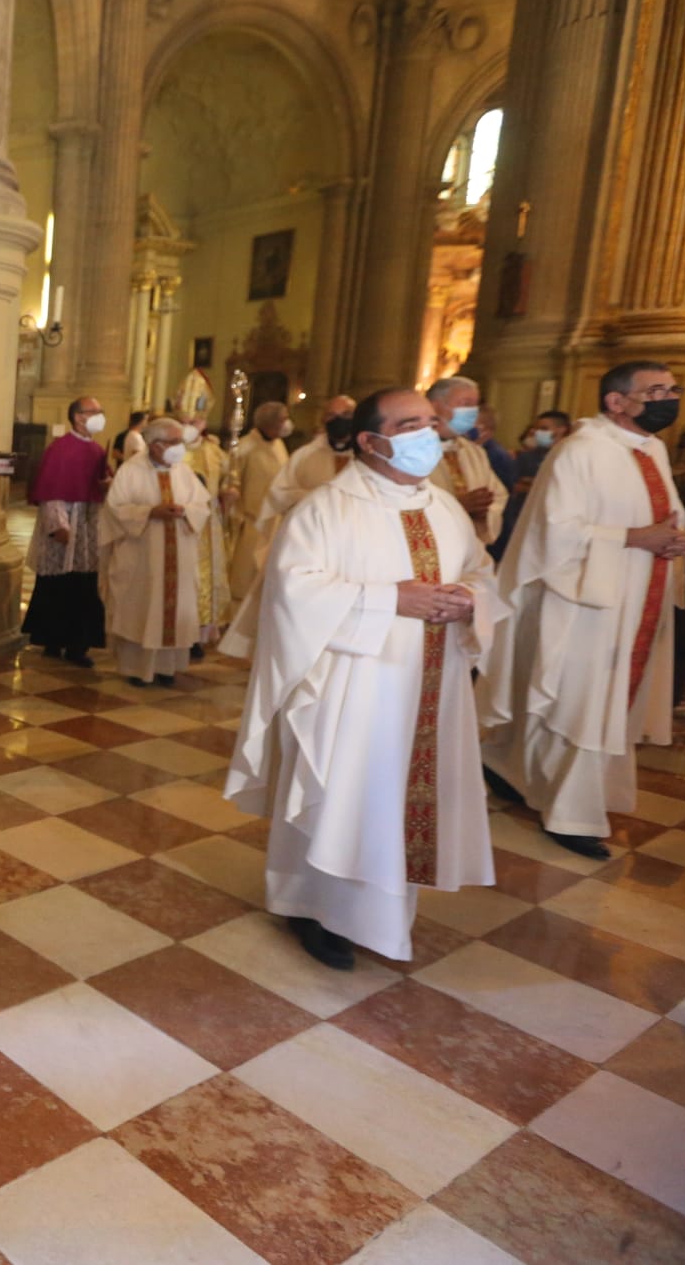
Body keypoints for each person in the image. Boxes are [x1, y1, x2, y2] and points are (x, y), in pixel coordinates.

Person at [227, 387, 503, 969]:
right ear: (372, 441)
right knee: (346, 795)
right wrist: (389, 600)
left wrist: (468, 597)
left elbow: (481, 569)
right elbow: (293, 590)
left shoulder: (445, 508)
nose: (428, 433)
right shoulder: (326, 509)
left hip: (430, 684)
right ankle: (313, 906)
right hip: (353, 688)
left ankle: (381, 915)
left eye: (430, 422)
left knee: (396, 798)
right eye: (409, 425)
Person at [479, 363, 685, 859]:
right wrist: (636, 538)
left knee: (603, 700)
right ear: (616, 401)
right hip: (582, 600)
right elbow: (555, 530)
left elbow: (659, 516)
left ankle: (505, 763)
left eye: (672, 389)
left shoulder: (652, 449)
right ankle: (568, 813)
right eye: (655, 391)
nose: (669, 399)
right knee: (578, 702)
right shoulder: (579, 450)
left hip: (636, 595)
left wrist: (673, 538)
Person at [219, 394, 358, 659]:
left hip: (351, 549)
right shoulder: (304, 456)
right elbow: (278, 493)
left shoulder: (368, 459)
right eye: (331, 415)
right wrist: (317, 497)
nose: (338, 421)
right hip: (308, 544)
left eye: (346, 416)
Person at [100, 417, 208, 687]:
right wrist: (149, 512)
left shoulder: (183, 470)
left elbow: (202, 505)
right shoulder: (131, 470)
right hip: (142, 558)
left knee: (173, 608)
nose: (180, 447)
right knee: (142, 608)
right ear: (155, 444)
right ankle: (137, 670)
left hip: (179, 555)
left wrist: (186, 511)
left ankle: (167, 668)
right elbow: (114, 510)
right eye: (174, 441)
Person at [22, 396, 110, 666]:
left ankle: (77, 646)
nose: (100, 415)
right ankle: (52, 640)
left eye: (100, 411)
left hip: (87, 525)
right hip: (65, 522)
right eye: (94, 411)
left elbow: (102, 485)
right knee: (57, 585)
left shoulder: (97, 450)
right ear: (78, 417)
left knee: (83, 585)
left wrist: (107, 486)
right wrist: (58, 526)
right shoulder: (61, 449)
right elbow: (52, 492)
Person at [423, 375, 508, 546]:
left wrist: (484, 512)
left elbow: (498, 495)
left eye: (475, 405)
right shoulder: (410, 450)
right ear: (435, 406)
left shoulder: (474, 452)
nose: (472, 412)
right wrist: (457, 506)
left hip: (469, 545)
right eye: (466, 404)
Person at [225, 401, 291, 604]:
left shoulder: (279, 444)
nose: (287, 423)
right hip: (251, 520)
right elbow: (232, 482)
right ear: (270, 423)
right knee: (244, 575)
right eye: (283, 419)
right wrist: (236, 513)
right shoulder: (245, 447)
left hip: (275, 518)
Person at [492, 409, 571, 561]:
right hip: (523, 518)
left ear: (561, 430)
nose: (537, 433)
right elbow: (514, 486)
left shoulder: (569, 457)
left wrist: (534, 484)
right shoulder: (526, 457)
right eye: (536, 428)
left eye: (544, 428)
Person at [186, 428, 233, 648]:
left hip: (209, 524)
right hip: (182, 523)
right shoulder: (172, 450)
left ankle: (201, 632)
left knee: (206, 577)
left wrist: (227, 492)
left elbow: (226, 480)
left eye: (197, 419)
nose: (193, 424)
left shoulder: (213, 451)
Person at [175, 347, 215, 436]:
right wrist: (199, 414)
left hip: (186, 417)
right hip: (192, 417)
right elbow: (207, 399)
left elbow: (179, 396)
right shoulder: (202, 381)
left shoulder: (187, 379)